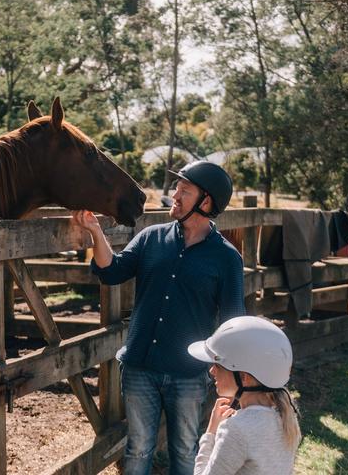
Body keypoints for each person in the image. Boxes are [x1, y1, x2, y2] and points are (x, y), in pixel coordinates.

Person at [71, 161, 245, 475]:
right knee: (137, 449)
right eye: (177, 188)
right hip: (139, 367)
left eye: (184, 190)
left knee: (184, 452)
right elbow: (113, 271)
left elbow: (233, 322)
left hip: (189, 375)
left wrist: (229, 377)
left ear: (205, 202)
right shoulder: (151, 237)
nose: (174, 195)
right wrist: (95, 230)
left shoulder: (227, 258)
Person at [188, 316, 301, 475]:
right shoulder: (286, 416)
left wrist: (211, 432)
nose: (212, 371)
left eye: (218, 365)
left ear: (243, 377)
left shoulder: (236, 429)